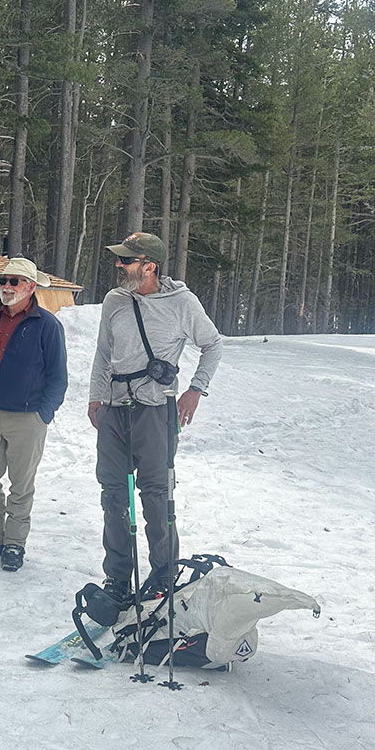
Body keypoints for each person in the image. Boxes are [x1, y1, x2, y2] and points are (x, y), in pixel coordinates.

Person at [87, 231, 223, 601]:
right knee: (113, 495)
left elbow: (212, 345)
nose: (119, 265)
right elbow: (103, 352)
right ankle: (117, 578)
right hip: (114, 410)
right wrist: (95, 397)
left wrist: (196, 389)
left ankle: (164, 575)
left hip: (156, 410)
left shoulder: (182, 303)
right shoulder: (115, 300)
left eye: (126, 260)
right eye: (118, 259)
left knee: (157, 496)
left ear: (149, 266)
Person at [0, 256, 68, 573]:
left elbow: (58, 377)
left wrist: (43, 414)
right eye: (3, 281)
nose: (6, 287)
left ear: (31, 287)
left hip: (27, 418)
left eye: (14, 282)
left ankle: (14, 545)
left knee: (21, 486)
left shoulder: (47, 325)